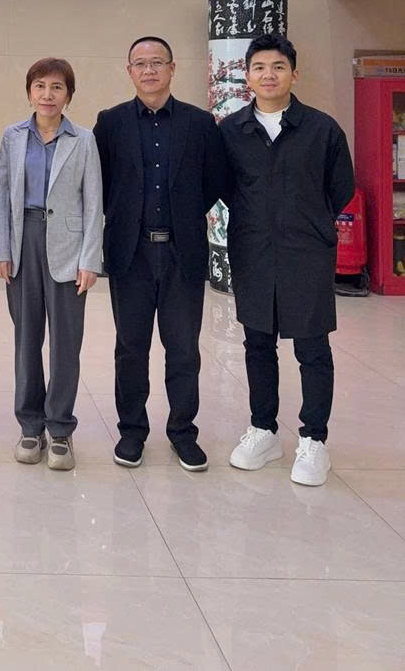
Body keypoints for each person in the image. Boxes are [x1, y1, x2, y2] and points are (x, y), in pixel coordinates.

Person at [221, 33, 354, 487]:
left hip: (307, 252)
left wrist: (308, 223)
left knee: (312, 347)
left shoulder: (322, 129)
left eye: (278, 67)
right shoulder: (232, 131)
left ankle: (314, 439)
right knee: (257, 342)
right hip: (253, 250)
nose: (269, 75)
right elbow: (226, 187)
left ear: (294, 74)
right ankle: (263, 430)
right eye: (259, 67)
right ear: (247, 76)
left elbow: (340, 188)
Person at [94, 36, 225, 472]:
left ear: (172, 68)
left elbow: (213, 181)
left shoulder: (200, 123)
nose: (149, 70)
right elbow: (99, 183)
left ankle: (183, 433)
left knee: (183, 349)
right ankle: (132, 431)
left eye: (157, 62)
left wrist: (185, 216)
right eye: (140, 63)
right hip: (129, 253)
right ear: (129, 71)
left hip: (181, 253)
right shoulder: (110, 123)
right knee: (131, 348)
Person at [0, 58, 103, 471]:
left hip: (68, 248)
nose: (47, 95)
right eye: (40, 86)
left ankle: (59, 428)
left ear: (69, 95)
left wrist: (89, 259)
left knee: (65, 343)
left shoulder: (84, 140)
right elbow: (2, 196)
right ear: (29, 92)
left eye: (57, 87)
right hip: (23, 243)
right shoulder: (12, 137)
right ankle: (29, 425)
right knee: (27, 340)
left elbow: (94, 202)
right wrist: (1, 250)